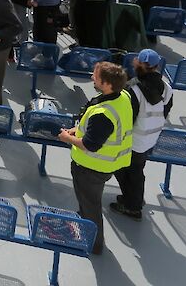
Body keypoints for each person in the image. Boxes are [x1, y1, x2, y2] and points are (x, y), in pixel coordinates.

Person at [58, 61, 133, 255]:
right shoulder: (123, 95)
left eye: (96, 76)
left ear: (107, 84)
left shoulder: (103, 114)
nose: (92, 77)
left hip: (91, 168)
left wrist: (68, 137)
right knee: (88, 202)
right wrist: (76, 130)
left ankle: (94, 244)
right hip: (109, 164)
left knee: (91, 205)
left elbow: (90, 144)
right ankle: (83, 218)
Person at [110, 50, 173, 221]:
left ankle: (133, 206)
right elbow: (165, 111)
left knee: (123, 169)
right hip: (150, 137)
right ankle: (133, 199)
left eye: (137, 60)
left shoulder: (133, 89)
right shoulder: (167, 88)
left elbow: (127, 118)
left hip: (134, 139)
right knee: (136, 170)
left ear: (141, 64)